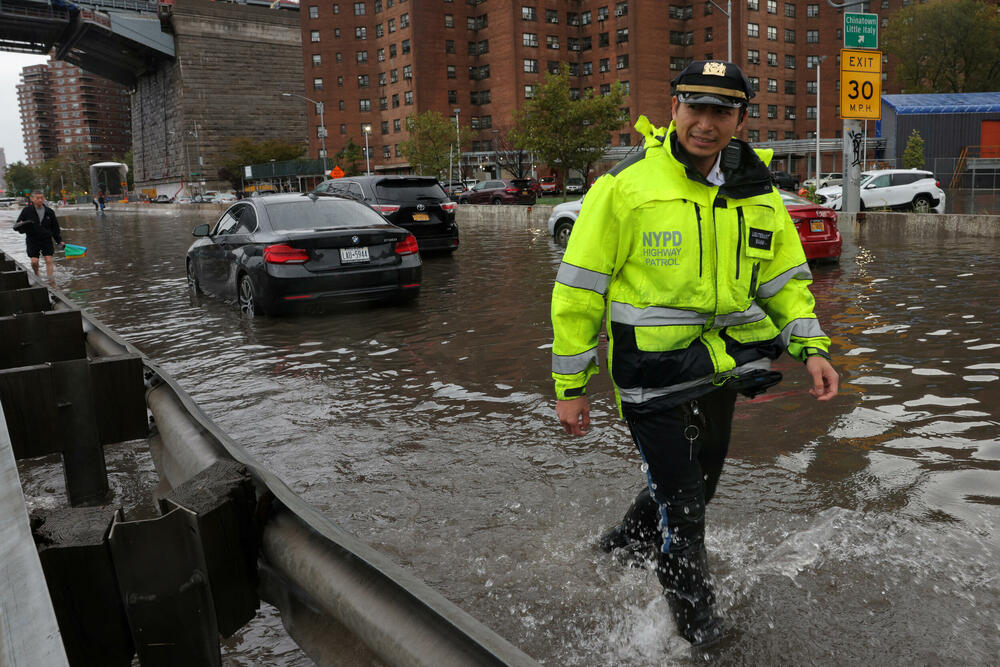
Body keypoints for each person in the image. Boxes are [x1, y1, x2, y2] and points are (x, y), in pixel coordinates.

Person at [550, 60, 839, 647]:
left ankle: (618, 546)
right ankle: (700, 633)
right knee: (684, 511)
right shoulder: (625, 187)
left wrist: (811, 348)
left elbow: (784, 280)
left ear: (739, 119)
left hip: (717, 371)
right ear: (674, 107)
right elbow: (579, 290)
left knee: (698, 484)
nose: (705, 123)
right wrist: (572, 387)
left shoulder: (755, 191)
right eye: (695, 108)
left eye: (722, 111)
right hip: (650, 376)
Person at [15, 190, 65, 276]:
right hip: (32, 239)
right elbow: (18, 224)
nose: (40, 200)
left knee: (49, 259)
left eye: (42, 198)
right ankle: (37, 274)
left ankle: (51, 280)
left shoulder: (49, 212)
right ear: (32, 199)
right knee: (34, 262)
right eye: (37, 198)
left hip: (46, 239)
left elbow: (55, 228)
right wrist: (20, 226)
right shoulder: (26, 211)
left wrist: (59, 240)